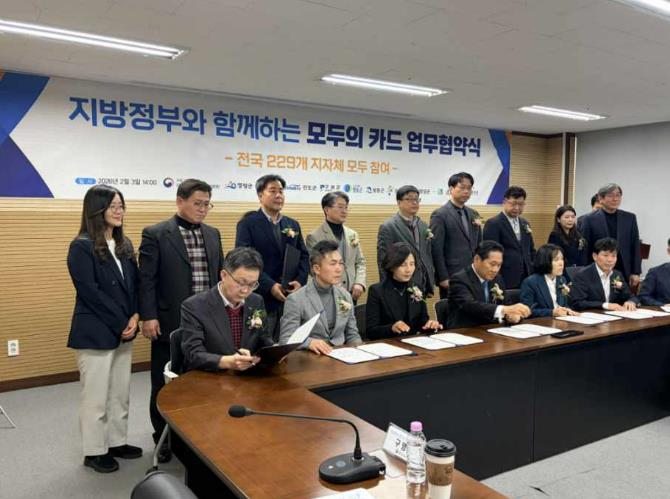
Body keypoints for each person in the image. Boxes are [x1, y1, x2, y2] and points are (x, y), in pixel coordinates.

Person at [138, 178, 224, 462]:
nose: (203, 209)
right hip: (169, 320)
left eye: (207, 204)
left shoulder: (213, 234)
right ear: (180, 201)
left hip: (207, 321)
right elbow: (146, 280)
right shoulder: (156, 234)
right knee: (164, 382)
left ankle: (199, 433)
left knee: (203, 379)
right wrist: (148, 316)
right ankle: (162, 437)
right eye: (198, 203)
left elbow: (220, 278)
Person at [66, 185, 141, 473]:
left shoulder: (124, 245)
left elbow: (134, 285)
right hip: (96, 332)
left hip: (125, 328)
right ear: (97, 210)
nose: (120, 211)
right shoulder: (81, 246)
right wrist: (122, 321)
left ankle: (117, 441)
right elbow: (90, 293)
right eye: (113, 206)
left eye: (122, 206)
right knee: (95, 397)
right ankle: (94, 451)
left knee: (120, 392)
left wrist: (135, 315)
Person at [235, 174, 309, 341]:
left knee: (290, 342)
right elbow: (245, 260)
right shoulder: (248, 224)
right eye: (273, 191)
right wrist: (270, 286)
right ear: (260, 195)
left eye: (281, 191)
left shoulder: (292, 224)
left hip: (290, 296)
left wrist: (300, 281)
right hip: (261, 296)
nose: (278, 195)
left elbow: (304, 256)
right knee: (261, 343)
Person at [181, 247, 273, 372]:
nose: (245, 290)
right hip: (209, 374)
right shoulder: (194, 306)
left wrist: (275, 351)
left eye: (252, 284)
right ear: (224, 275)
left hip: (247, 373)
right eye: (241, 283)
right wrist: (226, 362)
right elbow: (193, 354)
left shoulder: (256, 301)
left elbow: (263, 339)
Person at [278, 240, 362, 354]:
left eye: (341, 263)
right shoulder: (296, 299)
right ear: (317, 269)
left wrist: (361, 352)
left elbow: (352, 334)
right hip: (311, 357)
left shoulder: (345, 296)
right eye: (333, 264)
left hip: (340, 355)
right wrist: (309, 343)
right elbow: (286, 339)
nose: (339, 269)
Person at [446, 241, 531, 328]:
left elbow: (506, 304)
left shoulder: (497, 279)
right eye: (492, 264)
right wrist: (504, 310)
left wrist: (512, 316)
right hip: (465, 330)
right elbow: (470, 305)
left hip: (491, 329)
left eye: (499, 265)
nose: (495, 270)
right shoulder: (459, 279)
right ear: (477, 259)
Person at [366, 242, 442, 340]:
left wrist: (430, 326)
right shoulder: (377, 291)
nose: (408, 269)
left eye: (412, 264)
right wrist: (391, 328)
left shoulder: (417, 288)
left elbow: (422, 323)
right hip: (389, 343)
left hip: (414, 342)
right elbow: (371, 332)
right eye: (403, 265)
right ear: (392, 266)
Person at [430, 172, 483, 299]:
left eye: (469, 188)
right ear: (451, 189)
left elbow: (479, 245)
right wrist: (443, 277)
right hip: (452, 276)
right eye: (462, 187)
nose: (466, 191)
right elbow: (436, 249)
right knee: (453, 309)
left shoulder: (474, 214)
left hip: (474, 274)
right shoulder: (440, 215)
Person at [306, 191, 366, 303]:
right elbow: (313, 268)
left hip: (352, 292)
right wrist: (335, 286)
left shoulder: (352, 234)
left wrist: (359, 282)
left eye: (346, 207)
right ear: (326, 210)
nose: (344, 211)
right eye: (340, 207)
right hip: (328, 293)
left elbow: (360, 262)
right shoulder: (315, 236)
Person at [580, 183, 641, 289]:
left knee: (622, 296)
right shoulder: (589, 219)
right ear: (601, 198)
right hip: (598, 268)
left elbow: (635, 245)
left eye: (618, 195)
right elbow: (585, 248)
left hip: (623, 268)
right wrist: (584, 271)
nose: (615, 199)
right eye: (611, 196)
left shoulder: (629, 218)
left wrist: (636, 271)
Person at [377, 185, 435, 297]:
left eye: (416, 199)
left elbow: (427, 254)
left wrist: (429, 281)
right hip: (399, 284)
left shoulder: (423, 225)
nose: (414, 202)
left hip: (422, 283)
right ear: (399, 203)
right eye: (409, 199)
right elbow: (383, 260)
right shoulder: (388, 227)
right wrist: (386, 288)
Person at [483, 186, 536, 289]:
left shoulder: (525, 223)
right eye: (513, 204)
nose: (517, 208)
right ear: (504, 202)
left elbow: (531, 249)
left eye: (521, 204)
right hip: (505, 276)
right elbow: (490, 254)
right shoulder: (493, 223)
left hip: (526, 276)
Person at [570, 237, 637, 311]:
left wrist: (631, 302)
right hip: (592, 316)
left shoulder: (617, 275)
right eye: (605, 255)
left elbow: (630, 296)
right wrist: (605, 305)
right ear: (595, 256)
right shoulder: (582, 275)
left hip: (614, 316)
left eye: (613, 256)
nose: (610, 260)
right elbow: (578, 303)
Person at [520, 244, 580, 317]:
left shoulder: (562, 279)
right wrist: (551, 312)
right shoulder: (530, 282)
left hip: (561, 319)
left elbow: (564, 304)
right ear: (545, 261)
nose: (561, 263)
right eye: (556, 260)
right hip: (542, 322)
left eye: (562, 259)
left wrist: (568, 310)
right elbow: (527, 310)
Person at [638, 238, 670, 307]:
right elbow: (643, 296)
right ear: (668, 251)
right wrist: (663, 305)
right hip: (663, 312)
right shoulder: (655, 273)